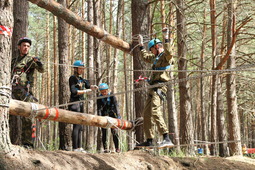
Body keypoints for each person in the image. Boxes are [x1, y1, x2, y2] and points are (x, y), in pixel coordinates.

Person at [135, 28, 174, 148]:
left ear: (157, 47)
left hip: (160, 87)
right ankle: (149, 139)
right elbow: (145, 57)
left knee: (155, 111)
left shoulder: (165, 57)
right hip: (152, 87)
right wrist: (141, 45)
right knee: (146, 114)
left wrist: (166, 37)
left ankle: (166, 137)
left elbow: (169, 53)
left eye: (152, 49)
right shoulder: (155, 57)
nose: (151, 51)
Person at [11, 37, 44, 148]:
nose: (26, 48)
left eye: (28, 46)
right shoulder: (14, 61)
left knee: (28, 117)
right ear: (19, 47)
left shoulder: (31, 59)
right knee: (9, 116)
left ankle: (28, 143)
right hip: (13, 91)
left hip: (25, 92)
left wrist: (38, 61)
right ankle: (11, 141)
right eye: (24, 45)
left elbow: (41, 69)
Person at [68, 60, 97, 153]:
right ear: (75, 69)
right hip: (74, 103)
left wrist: (93, 87)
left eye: (82, 68)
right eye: (80, 68)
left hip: (80, 103)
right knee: (76, 125)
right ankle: (75, 147)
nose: (81, 70)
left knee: (80, 126)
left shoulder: (82, 80)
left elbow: (89, 86)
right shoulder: (72, 78)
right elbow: (74, 91)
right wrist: (85, 91)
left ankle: (79, 147)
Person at [97, 83, 121, 153]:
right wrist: (99, 117)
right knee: (104, 132)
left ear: (107, 90)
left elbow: (116, 106)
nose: (104, 93)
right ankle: (105, 148)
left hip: (112, 115)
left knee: (114, 132)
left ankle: (117, 148)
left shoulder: (112, 96)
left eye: (105, 91)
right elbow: (99, 109)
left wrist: (118, 116)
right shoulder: (99, 98)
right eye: (102, 92)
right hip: (104, 116)